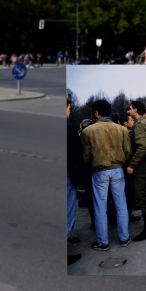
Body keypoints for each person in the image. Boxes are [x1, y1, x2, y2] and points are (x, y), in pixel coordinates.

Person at [80, 99, 131, 251]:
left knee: (100, 207)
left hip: (99, 171)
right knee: (121, 205)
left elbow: (86, 156)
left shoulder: (88, 131)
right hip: (118, 169)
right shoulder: (121, 130)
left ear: (96, 112)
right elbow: (128, 151)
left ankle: (103, 242)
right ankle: (124, 237)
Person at [126, 100, 146, 242]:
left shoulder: (139, 125)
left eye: (131, 108)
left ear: (136, 110)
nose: (129, 110)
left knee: (143, 198)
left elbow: (143, 147)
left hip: (143, 168)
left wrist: (132, 164)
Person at [67, 99, 86, 265]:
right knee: (67, 212)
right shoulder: (68, 128)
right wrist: (80, 182)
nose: (70, 111)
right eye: (69, 108)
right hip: (68, 176)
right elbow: (75, 157)